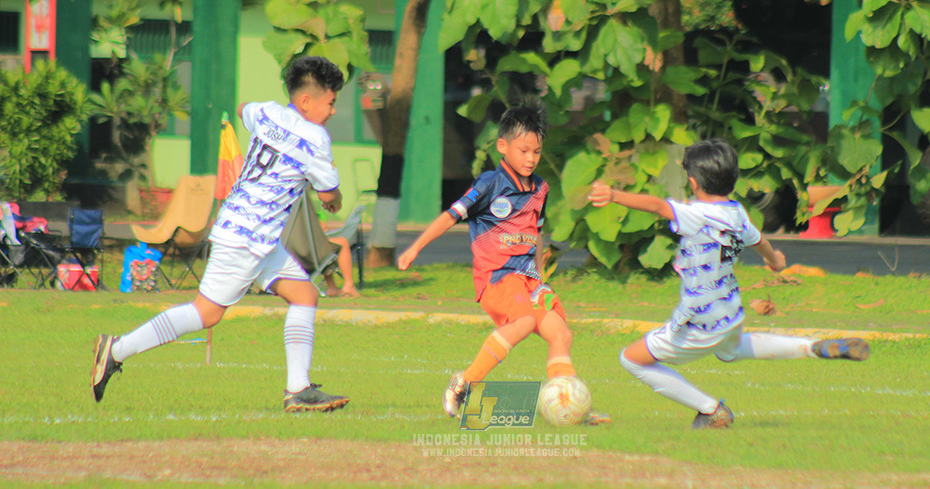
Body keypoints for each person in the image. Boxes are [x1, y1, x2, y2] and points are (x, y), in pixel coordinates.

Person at [91, 56, 351, 413]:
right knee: (206, 314)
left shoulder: (267, 112)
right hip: (247, 237)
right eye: (331, 102)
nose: (333, 111)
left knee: (305, 294)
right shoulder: (315, 138)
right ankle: (116, 350)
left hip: (251, 233)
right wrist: (335, 200)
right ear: (307, 101)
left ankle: (298, 389)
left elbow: (244, 108)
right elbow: (329, 195)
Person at [588, 138, 870, 429]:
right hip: (731, 314)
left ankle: (711, 410)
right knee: (731, 351)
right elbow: (759, 240)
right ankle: (811, 347)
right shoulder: (737, 213)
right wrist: (775, 262)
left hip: (700, 322)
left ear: (694, 182)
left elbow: (658, 206)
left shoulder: (696, 214)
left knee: (631, 359)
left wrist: (613, 195)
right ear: (732, 180)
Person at [398, 101, 607, 424]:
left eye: (536, 152)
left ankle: (569, 404)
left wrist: (540, 277)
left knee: (561, 334)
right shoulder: (489, 184)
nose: (530, 158)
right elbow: (450, 217)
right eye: (524, 151)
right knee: (522, 322)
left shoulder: (540, 188)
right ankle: (464, 383)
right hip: (497, 278)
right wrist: (415, 248)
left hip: (529, 280)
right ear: (503, 146)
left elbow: (535, 234)